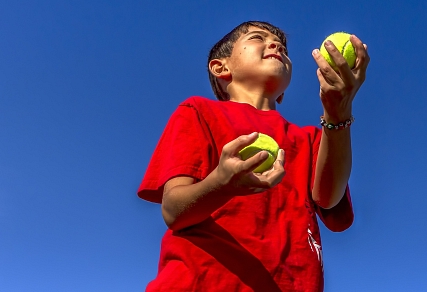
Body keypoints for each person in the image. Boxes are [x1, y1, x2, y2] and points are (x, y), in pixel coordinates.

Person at [137, 21, 370, 291]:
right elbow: (173, 211)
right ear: (220, 67)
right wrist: (220, 184)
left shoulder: (313, 138)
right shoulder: (197, 111)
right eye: (257, 37)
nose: (277, 45)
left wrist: (338, 112)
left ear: (283, 93)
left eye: (283, 46)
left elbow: (329, 199)